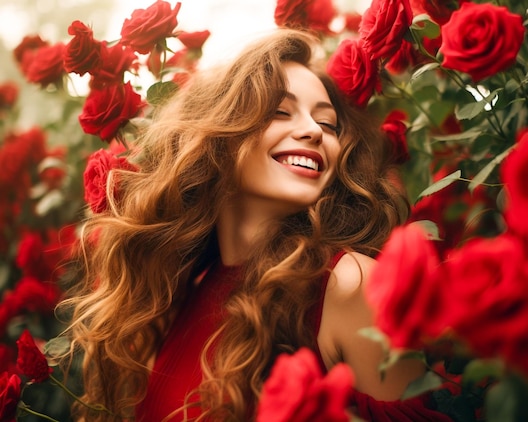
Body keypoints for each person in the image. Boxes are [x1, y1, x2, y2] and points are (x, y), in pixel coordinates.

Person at [59, 29, 451, 422]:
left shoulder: (349, 283)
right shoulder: (182, 293)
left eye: (328, 124)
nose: (314, 131)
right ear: (218, 139)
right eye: (280, 112)